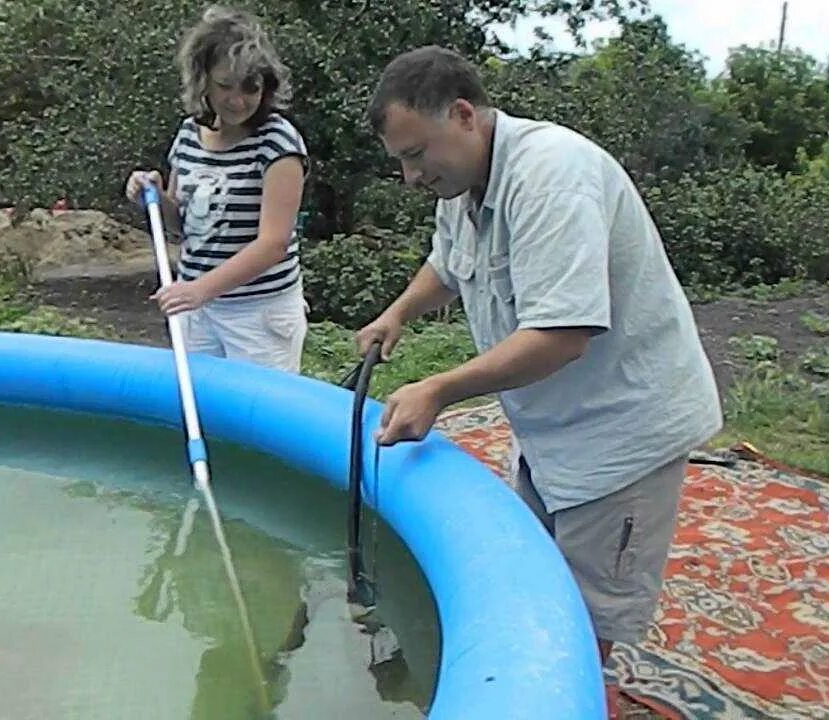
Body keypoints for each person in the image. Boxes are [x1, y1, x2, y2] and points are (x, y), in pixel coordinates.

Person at [354, 45, 723, 715]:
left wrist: (437, 389)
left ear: (464, 115)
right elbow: (448, 264)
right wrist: (399, 312)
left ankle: (580, 697)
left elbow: (563, 336)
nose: (410, 177)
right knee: (536, 582)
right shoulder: (461, 182)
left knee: (585, 619)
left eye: (416, 154)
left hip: (624, 428)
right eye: (401, 161)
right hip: (551, 427)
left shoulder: (553, 176)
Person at [125, 5, 309, 372]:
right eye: (225, 85)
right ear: (203, 79)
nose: (238, 100)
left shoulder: (278, 143)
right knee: (202, 411)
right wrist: (152, 196)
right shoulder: (189, 136)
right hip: (197, 312)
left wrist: (199, 289)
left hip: (258, 315)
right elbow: (182, 224)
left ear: (266, 86)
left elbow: (272, 245)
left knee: (257, 421)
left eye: (250, 88)